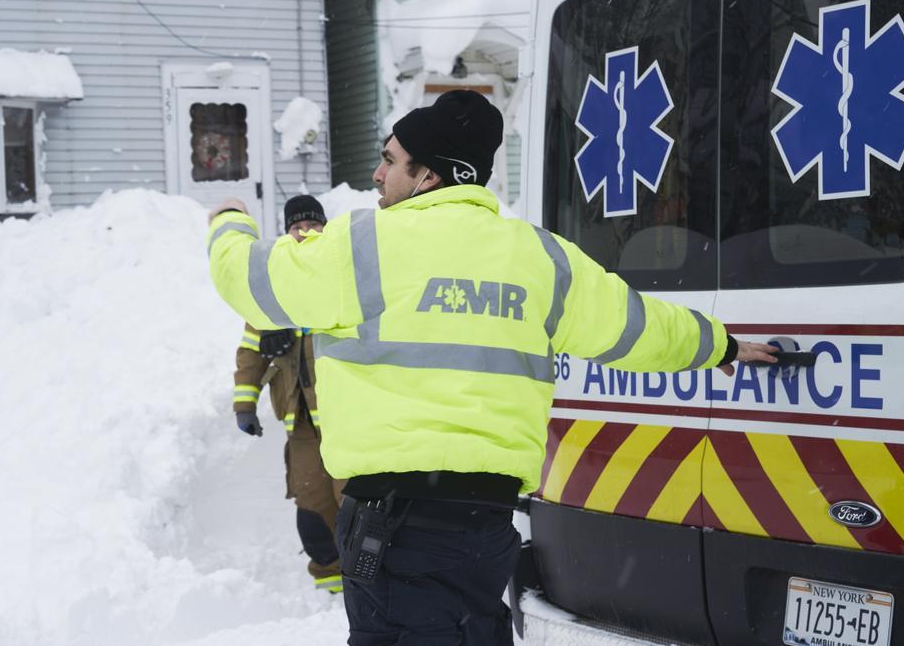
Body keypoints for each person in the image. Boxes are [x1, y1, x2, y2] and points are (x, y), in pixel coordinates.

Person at [206, 91, 777, 644]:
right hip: (485, 528)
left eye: (389, 161)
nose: (378, 176)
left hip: (394, 526)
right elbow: (634, 327)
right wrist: (716, 345)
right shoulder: (538, 256)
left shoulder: (362, 246)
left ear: (429, 174)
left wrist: (228, 220)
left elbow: (248, 280)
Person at [230, 195, 345, 595]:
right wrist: (245, 403)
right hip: (300, 420)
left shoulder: (342, 273)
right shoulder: (272, 284)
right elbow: (249, 350)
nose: (306, 231)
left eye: (314, 224)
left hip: (347, 417)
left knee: (356, 502)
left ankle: (369, 584)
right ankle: (332, 586)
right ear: (287, 231)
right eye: (298, 226)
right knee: (313, 503)